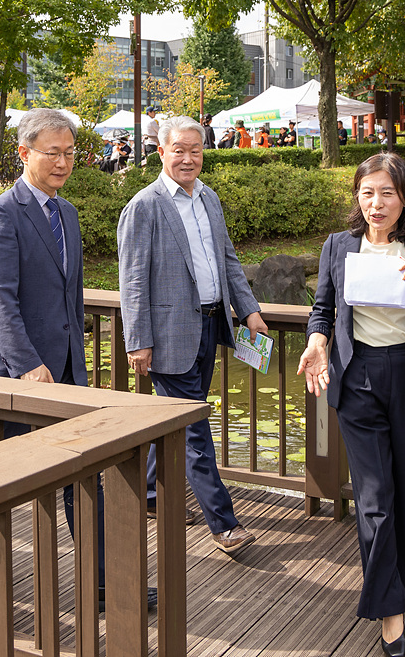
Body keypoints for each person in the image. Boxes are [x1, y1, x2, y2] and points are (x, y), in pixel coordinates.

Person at [0, 108, 151, 609]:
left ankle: (102, 577)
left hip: (67, 368)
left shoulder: (65, 212)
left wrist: (78, 362)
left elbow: (70, 297)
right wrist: (26, 361)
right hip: (14, 370)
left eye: (70, 153)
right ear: (24, 153)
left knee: (83, 472)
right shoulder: (0, 215)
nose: (63, 162)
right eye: (53, 153)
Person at [296, 152, 405, 657]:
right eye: (367, 192)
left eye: (387, 192)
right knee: (373, 498)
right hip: (358, 376)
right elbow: (323, 309)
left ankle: (392, 588)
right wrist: (317, 342)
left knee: (402, 495)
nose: (376, 203)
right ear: (357, 197)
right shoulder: (338, 246)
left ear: (404, 197)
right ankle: (391, 612)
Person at [117, 115, 268, 554]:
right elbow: (133, 281)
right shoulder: (144, 206)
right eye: (178, 150)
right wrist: (137, 339)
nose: (187, 158)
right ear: (160, 152)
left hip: (210, 323)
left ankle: (148, 494)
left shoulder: (209, 199)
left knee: (179, 419)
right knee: (196, 427)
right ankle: (223, 523)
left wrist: (250, 310)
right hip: (166, 334)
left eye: (195, 150)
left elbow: (228, 261)